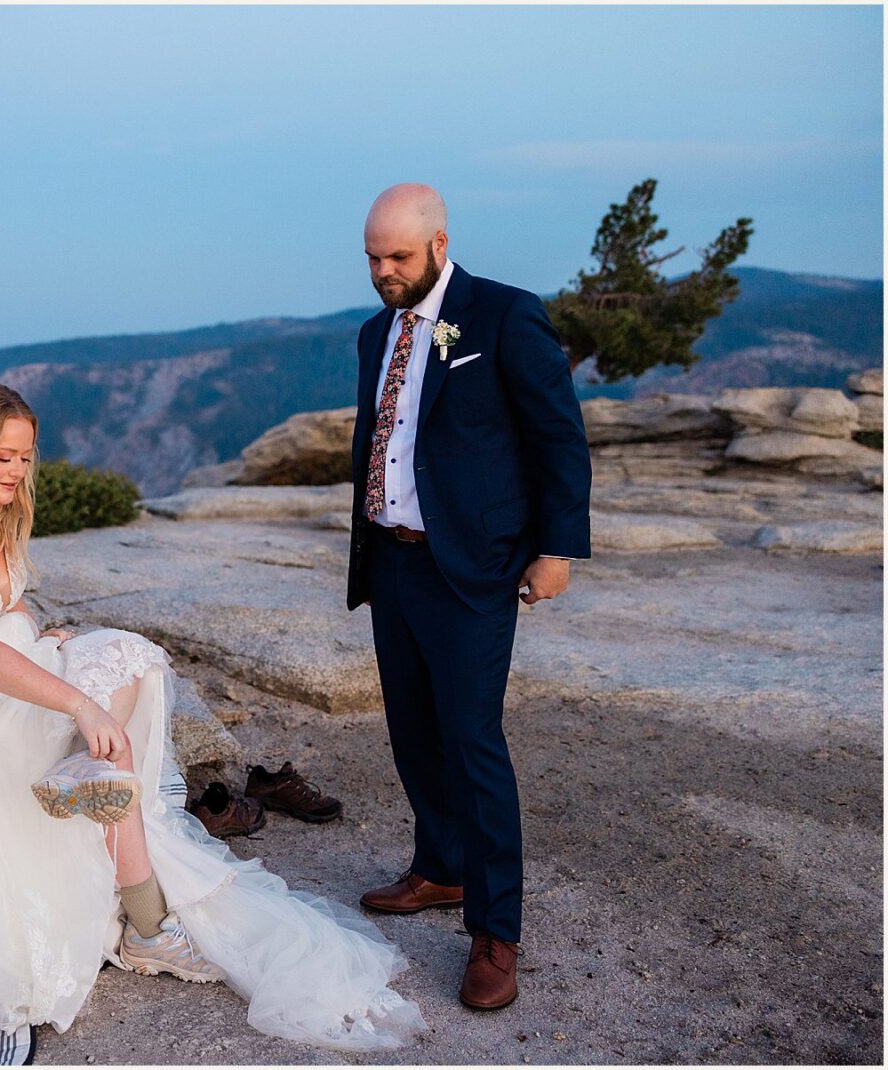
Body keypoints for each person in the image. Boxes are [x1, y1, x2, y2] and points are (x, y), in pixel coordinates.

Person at [0, 377, 426, 1053]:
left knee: (129, 657)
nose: (17, 472)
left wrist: (41, 638)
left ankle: (89, 776)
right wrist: (73, 699)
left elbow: (4, 609)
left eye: (25, 457)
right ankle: (147, 925)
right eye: (2, 457)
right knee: (103, 729)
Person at [346, 184, 592, 1010]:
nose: (384, 272)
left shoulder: (505, 317)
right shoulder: (375, 332)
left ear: (440, 244)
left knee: (473, 741)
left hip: (473, 567)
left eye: (398, 257)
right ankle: (442, 868)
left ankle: (495, 931)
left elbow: (558, 436)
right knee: (414, 731)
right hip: (392, 561)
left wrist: (556, 548)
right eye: (373, 258)